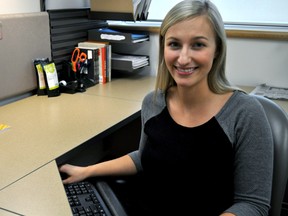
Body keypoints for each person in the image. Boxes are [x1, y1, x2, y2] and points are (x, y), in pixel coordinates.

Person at [59, 0, 273, 215]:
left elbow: (253, 205)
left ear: (217, 49)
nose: (183, 58)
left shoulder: (245, 112)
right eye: (174, 44)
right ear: (164, 48)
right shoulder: (154, 103)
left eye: (198, 44)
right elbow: (145, 157)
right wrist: (87, 171)